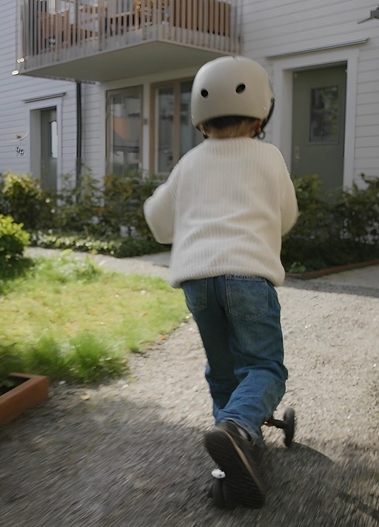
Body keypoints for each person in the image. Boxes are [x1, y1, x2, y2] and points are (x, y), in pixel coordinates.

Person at [143, 56, 298, 509]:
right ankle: (237, 429)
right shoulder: (268, 156)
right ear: (260, 115)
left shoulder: (190, 163)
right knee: (264, 367)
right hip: (248, 275)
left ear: (199, 116)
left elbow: (157, 221)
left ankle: (233, 454)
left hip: (197, 281)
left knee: (224, 370)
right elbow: (285, 216)